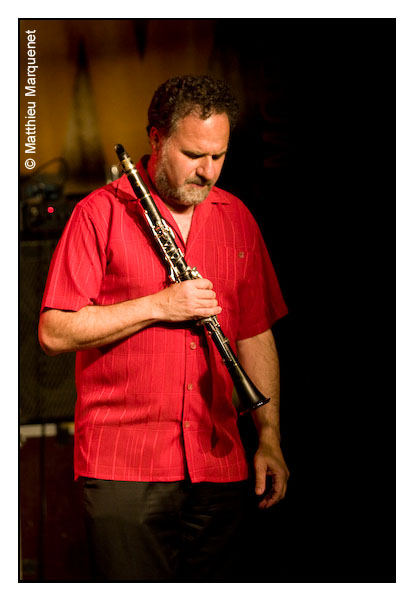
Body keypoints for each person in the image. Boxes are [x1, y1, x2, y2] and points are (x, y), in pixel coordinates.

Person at [38, 75, 289, 582]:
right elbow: (55, 332)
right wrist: (160, 305)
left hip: (219, 461)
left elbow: (255, 334)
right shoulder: (98, 214)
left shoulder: (237, 217)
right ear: (156, 139)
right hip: (124, 466)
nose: (207, 171)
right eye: (194, 154)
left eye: (218, 156)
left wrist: (269, 437)